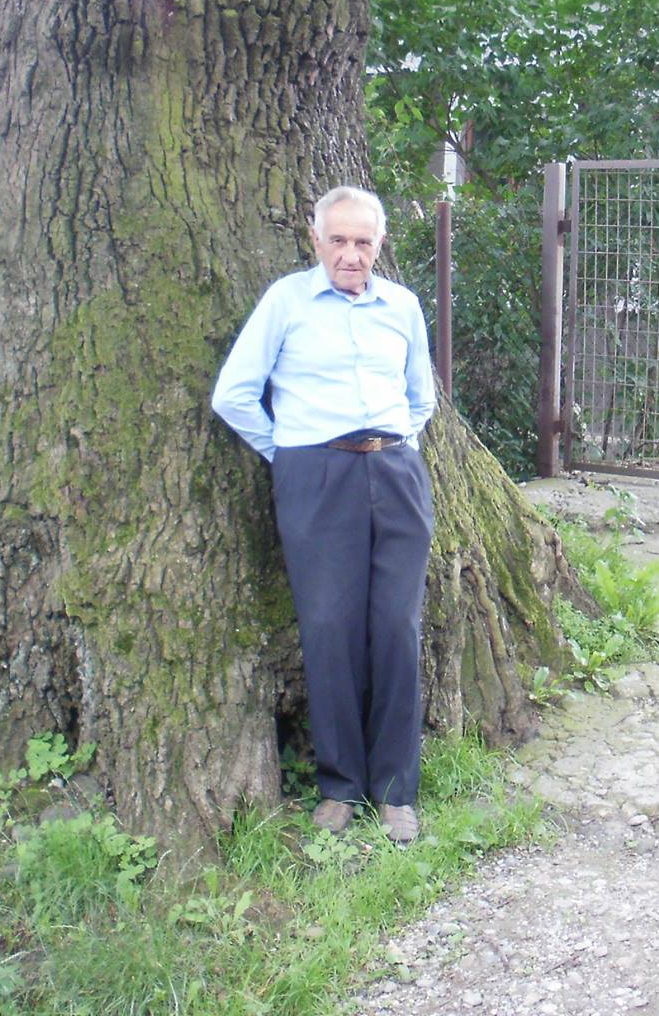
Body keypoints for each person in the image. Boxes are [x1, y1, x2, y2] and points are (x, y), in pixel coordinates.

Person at [211, 185, 437, 844]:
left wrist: (396, 449)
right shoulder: (286, 301)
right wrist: (288, 454)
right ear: (316, 241)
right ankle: (340, 786)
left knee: (396, 626)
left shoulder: (403, 307)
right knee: (331, 627)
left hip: (395, 473)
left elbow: (421, 396)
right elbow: (235, 394)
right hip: (315, 474)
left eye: (363, 242)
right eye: (338, 240)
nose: (350, 254)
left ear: (379, 245)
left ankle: (396, 791)